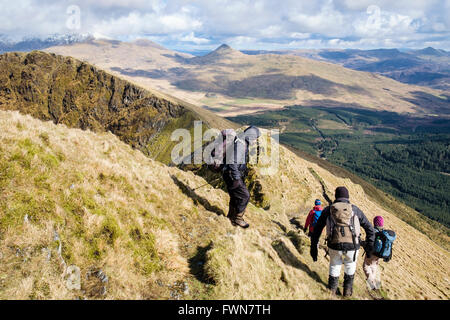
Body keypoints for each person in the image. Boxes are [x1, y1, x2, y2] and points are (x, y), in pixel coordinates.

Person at [310, 186, 375, 297]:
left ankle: (331, 293)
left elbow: (317, 230)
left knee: (335, 266)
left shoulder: (328, 210)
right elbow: (370, 229)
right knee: (350, 266)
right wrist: (369, 249)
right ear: (347, 197)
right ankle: (347, 294)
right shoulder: (355, 210)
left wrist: (314, 247)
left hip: (334, 245)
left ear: (336, 196)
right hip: (353, 247)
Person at [222, 126, 261, 228]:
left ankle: (230, 217)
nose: (255, 141)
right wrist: (236, 177)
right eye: (255, 138)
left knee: (235, 196)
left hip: (229, 173)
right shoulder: (241, 144)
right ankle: (238, 219)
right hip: (232, 174)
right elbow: (232, 162)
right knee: (245, 196)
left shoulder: (242, 142)